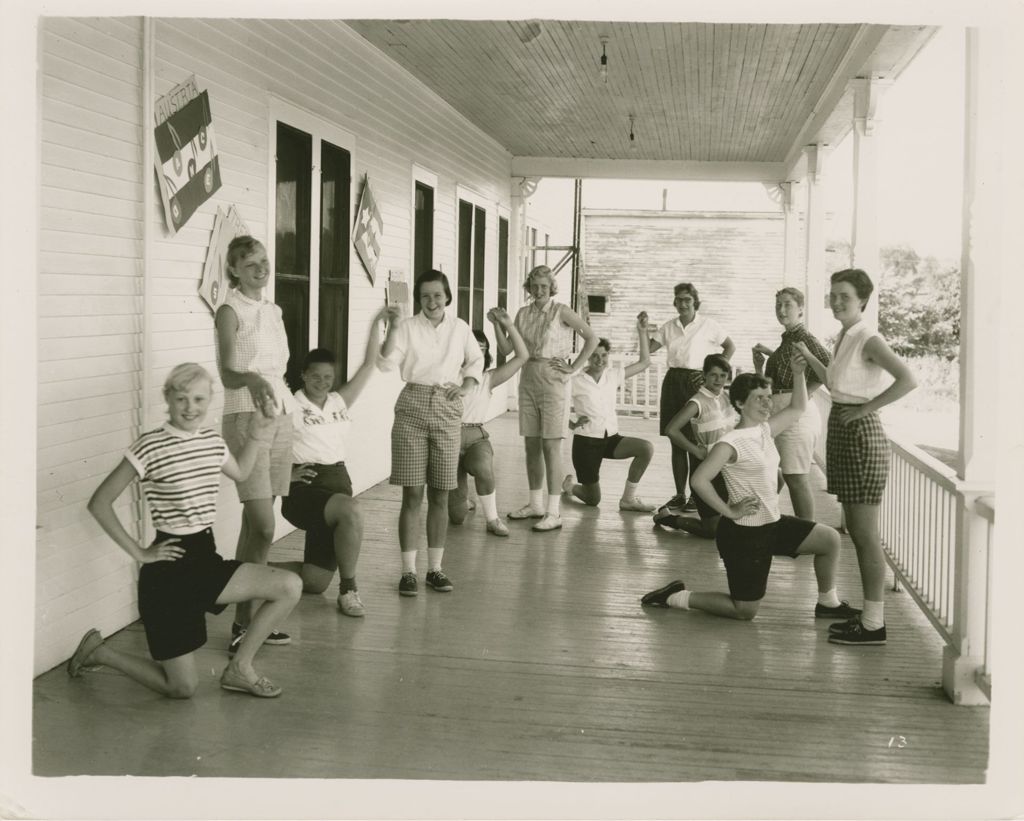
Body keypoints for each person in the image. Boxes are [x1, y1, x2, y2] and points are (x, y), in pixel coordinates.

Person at [72, 363, 302, 699]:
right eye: (181, 399)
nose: (190, 408)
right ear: (168, 398)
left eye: (198, 399)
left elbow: (240, 473)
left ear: (209, 401)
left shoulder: (212, 442)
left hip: (204, 560)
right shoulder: (149, 446)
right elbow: (100, 503)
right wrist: (140, 553)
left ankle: (240, 667)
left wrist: (256, 433)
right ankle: (100, 653)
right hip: (168, 574)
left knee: (289, 586)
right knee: (181, 688)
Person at [641, 355, 858, 626]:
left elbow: (798, 407)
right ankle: (676, 597)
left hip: (772, 525)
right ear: (741, 404)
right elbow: (699, 480)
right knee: (744, 611)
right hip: (745, 535)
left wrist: (798, 373)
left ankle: (828, 603)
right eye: (760, 398)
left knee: (830, 540)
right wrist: (729, 510)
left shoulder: (765, 430)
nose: (768, 403)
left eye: (768, 397)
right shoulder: (731, 442)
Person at [795, 269, 917, 646]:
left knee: (865, 536)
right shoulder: (846, 336)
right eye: (833, 295)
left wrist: (866, 410)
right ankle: (868, 619)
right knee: (861, 534)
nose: (836, 301)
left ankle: (874, 624)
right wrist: (806, 359)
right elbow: (836, 384)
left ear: (863, 299)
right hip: (846, 435)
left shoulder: (868, 336)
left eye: (844, 295)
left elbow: (907, 379)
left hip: (862, 437)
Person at [271, 308, 391, 617]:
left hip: (337, 486)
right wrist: (288, 473)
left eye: (328, 377)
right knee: (351, 510)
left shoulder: (339, 401)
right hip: (307, 491)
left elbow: (368, 366)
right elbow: (268, 447)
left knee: (314, 581)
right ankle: (349, 589)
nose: (322, 382)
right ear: (303, 375)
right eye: (315, 376)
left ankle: (250, 567)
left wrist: (377, 323)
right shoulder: (291, 405)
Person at [378, 270, 484, 596]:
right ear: (419, 299)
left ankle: (434, 569)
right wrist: (393, 328)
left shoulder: (460, 327)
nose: (432, 302)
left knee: (440, 493)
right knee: (412, 494)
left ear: (447, 296)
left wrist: (465, 387)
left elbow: (475, 361)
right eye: (425, 296)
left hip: (447, 409)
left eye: (437, 295)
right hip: (412, 405)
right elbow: (385, 364)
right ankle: (408, 571)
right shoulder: (408, 327)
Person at [214, 235, 296, 654]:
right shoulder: (229, 310)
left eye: (263, 261)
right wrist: (254, 379)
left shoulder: (273, 309)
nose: (260, 269)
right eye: (250, 264)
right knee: (264, 526)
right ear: (234, 270)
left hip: (280, 414)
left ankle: (244, 624)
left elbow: (279, 366)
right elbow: (228, 374)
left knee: (255, 526)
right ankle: (244, 621)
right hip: (246, 416)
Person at [505, 265, 598, 532]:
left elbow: (591, 338)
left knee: (550, 447)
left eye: (544, 286)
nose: (539, 291)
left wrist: (574, 366)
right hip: (529, 377)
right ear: (529, 287)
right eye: (534, 286)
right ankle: (535, 504)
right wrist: (500, 324)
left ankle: (554, 511)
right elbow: (506, 348)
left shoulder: (562, 311)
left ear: (551, 287)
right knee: (531, 445)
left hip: (555, 380)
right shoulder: (523, 314)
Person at [646, 283, 735, 514]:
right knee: (676, 440)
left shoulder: (709, 325)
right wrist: (642, 329)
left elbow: (730, 346)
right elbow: (648, 349)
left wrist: (714, 373)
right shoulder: (669, 327)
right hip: (673, 381)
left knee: (698, 440)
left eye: (687, 299)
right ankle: (679, 495)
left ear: (696, 302)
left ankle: (698, 495)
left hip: (697, 379)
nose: (683, 304)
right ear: (674, 303)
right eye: (679, 300)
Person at [561, 315, 656, 512]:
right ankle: (570, 486)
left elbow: (645, 362)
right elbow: (557, 404)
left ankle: (628, 499)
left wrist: (642, 330)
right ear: (587, 357)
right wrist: (570, 424)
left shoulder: (613, 376)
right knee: (593, 499)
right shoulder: (575, 380)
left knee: (645, 448)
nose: (599, 360)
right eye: (594, 355)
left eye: (604, 355)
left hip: (610, 439)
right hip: (586, 442)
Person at [448, 307, 529, 537]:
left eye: (483, 350)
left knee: (483, 468)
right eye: (474, 349)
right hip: (449, 439)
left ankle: (492, 519)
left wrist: (506, 324)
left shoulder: (488, 378)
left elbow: (522, 356)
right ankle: (465, 498)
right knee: (457, 517)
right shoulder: (448, 376)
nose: (478, 355)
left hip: (475, 438)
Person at [752, 287, 832, 520]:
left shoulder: (805, 339)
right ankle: (760, 519)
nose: (781, 309)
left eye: (788, 304)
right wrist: (760, 364)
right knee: (773, 470)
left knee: (795, 476)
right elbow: (773, 382)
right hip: (780, 410)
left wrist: (806, 392)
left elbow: (829, 372)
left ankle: (806, 532)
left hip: (796, 414)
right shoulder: (787, 339)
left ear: (801, 310)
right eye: (778, 305)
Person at [653, 353, 736, 538]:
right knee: (712, 530)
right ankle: (668, 519)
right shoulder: (697, 402)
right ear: (704, 375)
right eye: (713, 375)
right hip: (707, 471)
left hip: (728, 468)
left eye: (723, 375)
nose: (718, 380)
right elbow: (671, 429)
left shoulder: (726, 397)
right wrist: (696, 451)